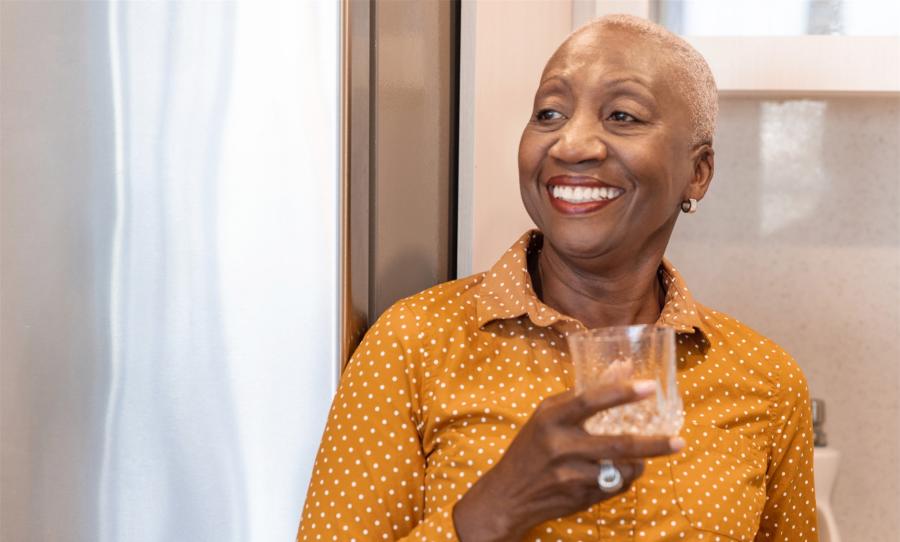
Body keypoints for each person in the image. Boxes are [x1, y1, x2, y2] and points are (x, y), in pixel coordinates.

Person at [297, 14, 817, 542]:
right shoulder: (415, 344)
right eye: (549, 113)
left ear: (698, 172)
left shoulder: (767, 382)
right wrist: (494, 510)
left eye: (622, 116)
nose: (571, 144)